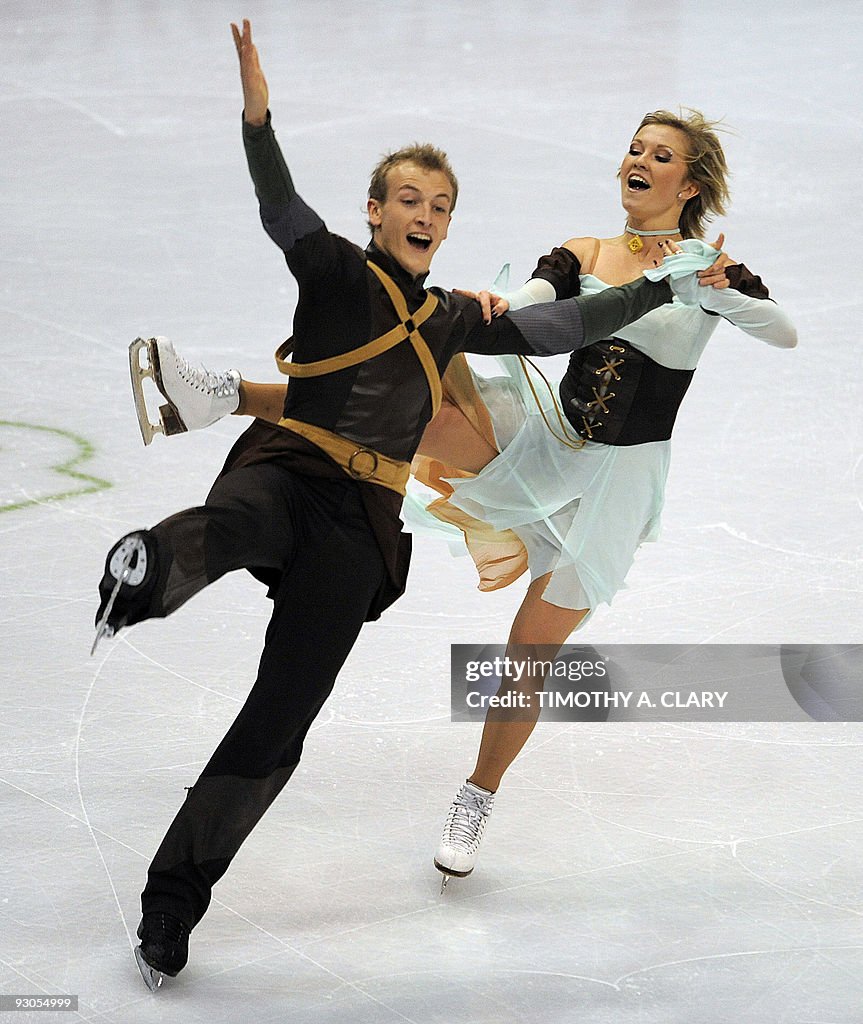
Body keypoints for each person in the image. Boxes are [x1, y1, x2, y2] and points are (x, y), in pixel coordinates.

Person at [100, 20, 690, 988]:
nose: (423, 212)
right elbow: (278, 206)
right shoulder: (333, 267)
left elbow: (559, 323)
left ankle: (172, 905)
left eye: (439, 204)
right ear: (374, 211)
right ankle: (143, 576)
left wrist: (651, 290)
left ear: (447, 224)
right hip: (290, 473)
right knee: (231, 524)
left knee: (277, 721)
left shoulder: (454, 313)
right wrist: (258, 119)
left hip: (361, 525)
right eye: (406, 199)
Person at [159, 107, 796, 888]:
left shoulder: (706, 268)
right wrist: (498, 305)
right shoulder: (585, 251)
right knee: (415, 397)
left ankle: (476, 796)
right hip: (549, 443)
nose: (638, 160)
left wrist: (721, 293)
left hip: (618, 489)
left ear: (687, 182)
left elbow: (782, 331)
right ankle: (224, 394)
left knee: (528, 655)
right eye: (633, 147)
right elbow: (537, 297)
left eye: (659, 155)